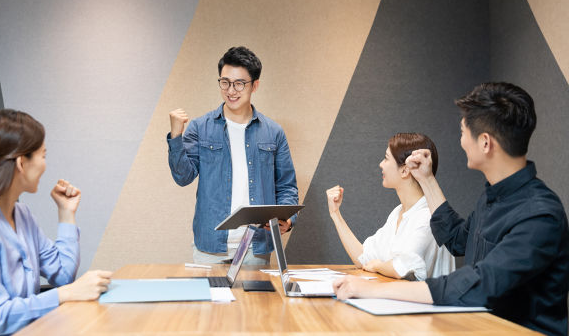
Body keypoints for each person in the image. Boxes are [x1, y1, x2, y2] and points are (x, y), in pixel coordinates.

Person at [333, 82, 569, 336]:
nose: (461, 141)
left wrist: (369, 290)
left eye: (463, 132)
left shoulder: (539, 215)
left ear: (485, 143)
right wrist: (426, 179)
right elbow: (457, 239)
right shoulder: (492, 198)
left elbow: (478, 284)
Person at [0, 109, 112, 335]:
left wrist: (66, 213)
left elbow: (63, 275)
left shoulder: (23, 215)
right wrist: (66, 294)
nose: (45, 165)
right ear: (21, 163)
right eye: (43, 156)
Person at [167, 46, 299, 265]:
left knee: (254, 301)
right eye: (225, 82)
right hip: (210, 246)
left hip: (255, 245)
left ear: (254, 85)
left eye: (239, 83)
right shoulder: (200, 127)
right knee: (208, 300)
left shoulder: (273, 132)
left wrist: (288, 220)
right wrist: (176, 136)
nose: (231, 90)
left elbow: (287, 186)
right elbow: (183, 177)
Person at [327, 133, 454, 281]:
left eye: (386, 158)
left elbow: (402, 268)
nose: (381, 164)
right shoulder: (398, 213)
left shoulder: (428, 216)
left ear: (405, 170)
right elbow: (364, 258)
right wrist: (335, 214)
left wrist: (378, 266)